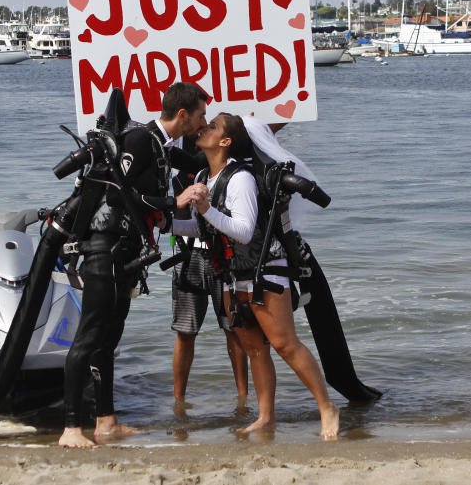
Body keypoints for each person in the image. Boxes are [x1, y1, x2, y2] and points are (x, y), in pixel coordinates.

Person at [58, 82, 210, 449]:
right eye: (202, 116)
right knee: (88, 338)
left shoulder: (162, 148)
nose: (203, 123)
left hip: (125, 255)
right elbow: (119, 191)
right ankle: (70, 429)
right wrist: (174, 202)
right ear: (183, 114)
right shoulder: (143, 140)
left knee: (107, 340)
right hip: (103, 249)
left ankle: (106, 422)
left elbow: (199, 161)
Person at [171, 113, 340, 439]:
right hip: (232, 275)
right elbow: (205, 227)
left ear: (225, 142)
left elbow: (245, 232)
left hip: (265, 272)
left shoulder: (241, 179)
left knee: (285, 345)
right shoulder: (206, 175)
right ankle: (266, 417)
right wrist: (168, 225)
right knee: (255, 350)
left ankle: (327, 408)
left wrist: (205, 209)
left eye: (214, 126)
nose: (203, 128)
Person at [170, 134, 249, 410]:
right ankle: (178, 401)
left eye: (207, 124)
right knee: (185, 332)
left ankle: (243, 400)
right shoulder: (173, 149)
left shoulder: (229, 164)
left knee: (233, 330)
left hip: (220, 255)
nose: (202, 128)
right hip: (188, 252)